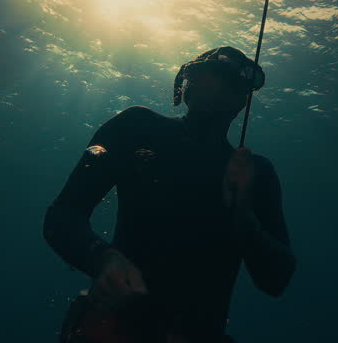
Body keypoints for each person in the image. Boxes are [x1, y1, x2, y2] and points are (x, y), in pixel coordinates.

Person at [43, 46, 296, 343]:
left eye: (230, 83)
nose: (217, 88)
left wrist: (243, 216)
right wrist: (101, 257)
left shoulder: (257, 173)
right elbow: (62, 216)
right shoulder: (136, 126)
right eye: (210, 75)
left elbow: (276, 280)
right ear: (187, 82)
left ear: (243, 100)